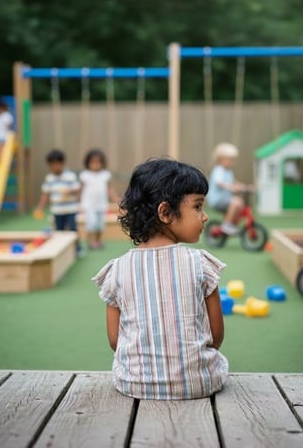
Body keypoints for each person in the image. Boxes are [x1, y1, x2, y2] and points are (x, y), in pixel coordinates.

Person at [93, 158, 228, 400]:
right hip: (198, 385)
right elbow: (216, 336)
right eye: (198, 207)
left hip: (133, 385)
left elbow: (115, 340)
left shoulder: (118, 270)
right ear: (165, 212)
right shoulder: (200, 264)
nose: (205, 216)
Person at [34, 149, 83, 256]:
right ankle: (62, 252)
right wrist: (40, 207)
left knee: (73, 229)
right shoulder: (49, 178)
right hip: (57, 210)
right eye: (52, 165)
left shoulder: (70, 176)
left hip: (70, 209)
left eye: (57, 164)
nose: (55, 167)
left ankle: (77, 248)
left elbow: (77, 189)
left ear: (62, 164)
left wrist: (69, 191)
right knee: (59, 231)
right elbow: (45, 194)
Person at [207, 142, 253, 236]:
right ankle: (226, 225)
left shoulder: (228, 171)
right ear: (221, 160)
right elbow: (220, 183)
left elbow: (234, 182)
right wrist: (232, 188)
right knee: (236, 201)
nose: (232, 162)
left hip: (225, 199)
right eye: (230, 160)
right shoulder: (219, 170)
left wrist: (246, 187)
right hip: (216, 200)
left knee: (240, 204)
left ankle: (230, 223)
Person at [79, 149, 120, 249]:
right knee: (91, 223)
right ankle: (89, 242)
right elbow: (80, 190)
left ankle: (98, 241)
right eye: (93, 162)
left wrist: (116, 198)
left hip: (101, 204)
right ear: (88, 163)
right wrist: (78, 203)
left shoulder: (105, 175)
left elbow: (109, 189)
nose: (96, 165)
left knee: (100, 225)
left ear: (102, 163)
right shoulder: (85, 175)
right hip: (89, 205)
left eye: (98, 162)